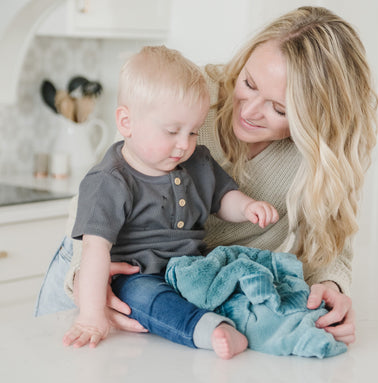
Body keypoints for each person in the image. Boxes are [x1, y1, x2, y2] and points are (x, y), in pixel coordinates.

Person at [35, 6, 378, 348]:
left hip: (193, 291)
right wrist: (87, 281)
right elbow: (97, 198)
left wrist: (332, 289)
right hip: (107, 273)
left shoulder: (322, 157)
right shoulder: (191, 96)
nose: (249, 110)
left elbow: (332, 244)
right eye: (249, 83)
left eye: (279, 109)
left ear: (315, 119)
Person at [62, 45, 278, 359]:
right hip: (137, 274)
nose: (184, 145)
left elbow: (222, 198)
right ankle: (207, 330)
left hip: (190, 268)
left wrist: (246, 207)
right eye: (172, 131)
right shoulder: (109, 181)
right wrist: (91, 314)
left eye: (192, 132)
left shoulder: (198, 162)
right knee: (146, 299)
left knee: (232, 272)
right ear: (126, 122)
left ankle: (267, 317)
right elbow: (95, 250)